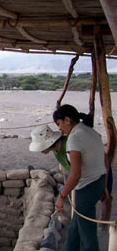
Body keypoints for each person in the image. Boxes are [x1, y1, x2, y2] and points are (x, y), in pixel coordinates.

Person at [35, 104, 106, 251]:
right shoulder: (88, 130)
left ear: (67, 120)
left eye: (59, 124)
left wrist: (61, 196)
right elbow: (100, 158)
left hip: (87, 186)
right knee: (75, 227)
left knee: (87, 235)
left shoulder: (74, 138)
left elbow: (76, 174)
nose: (60, 129)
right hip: (98, 180)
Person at [29, 124, 113, 229]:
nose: (41, 151)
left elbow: (103, 158)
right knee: (84, 209)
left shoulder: (71, 144)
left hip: (99, 171)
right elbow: (73, 170)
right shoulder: (56, 150)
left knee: (105, 198)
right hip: (85, 177)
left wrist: (104, 184)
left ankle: (104, 224)